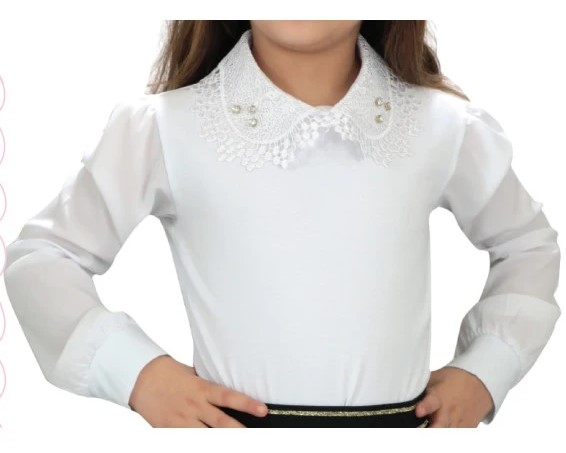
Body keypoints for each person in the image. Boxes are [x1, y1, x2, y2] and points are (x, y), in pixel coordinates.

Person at [3, 20, 561, 428]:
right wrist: (139, 375)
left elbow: (527, 244)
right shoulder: (164, 128)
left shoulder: (442, 126)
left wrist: (485, 371)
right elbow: (43, 258)